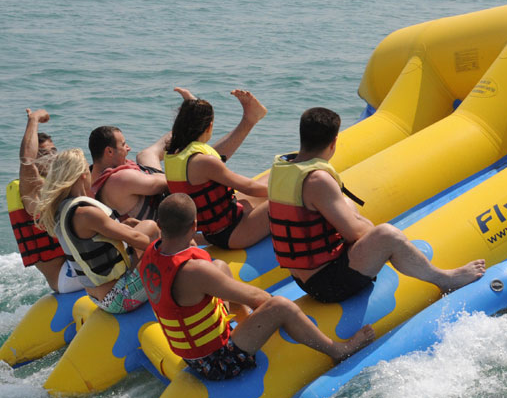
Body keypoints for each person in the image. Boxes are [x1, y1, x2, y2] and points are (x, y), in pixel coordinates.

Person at [138, 194, 374, 380]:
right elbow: (258, 299)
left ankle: (241, 323)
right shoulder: (194, 272)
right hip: (217, 363)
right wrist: (276, 313)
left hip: (191, 355)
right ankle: (338, 351)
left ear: (160, 225)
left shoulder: (151, 253)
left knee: (220, 266)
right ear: (195, 226)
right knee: (280, 305)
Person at [267, 107, 485, 303]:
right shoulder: (317, 180)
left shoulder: (283, 169)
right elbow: (354, 234)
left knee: (345, 204)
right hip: (328, 284)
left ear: (302, 137)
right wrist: (373, 235)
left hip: (304, 278)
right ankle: (445, 279)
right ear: (333, 143)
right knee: (388, 235)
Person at [35, 148, 160, 314]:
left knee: (149, 226)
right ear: (83, 175)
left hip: (98, 296)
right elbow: (136, 238)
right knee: (160, 250)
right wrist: (168, 247)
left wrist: (124, 225)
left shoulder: (63, 210)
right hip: (120, 298)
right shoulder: (86, 213)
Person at [164, 87, 270, 250]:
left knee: (271, 179)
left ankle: (250, 118)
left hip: (214, 232)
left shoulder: (174, 155)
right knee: (288, 201)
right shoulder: (204, 163)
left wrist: (191, 104)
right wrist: (291, 192)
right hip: (233, 234)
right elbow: (250, 187)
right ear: (209, 127)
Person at [7, 108, 84, 293]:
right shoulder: (31, 190)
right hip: (65, 277)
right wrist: (34, 121)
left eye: (54, 151)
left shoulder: (56, 186)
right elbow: (26, 161)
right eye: (44, 154)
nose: (52, 157)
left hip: (73, 268)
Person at [88, 125, 170, 221]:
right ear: (109, 151)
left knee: (145, 155)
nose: (128, 148)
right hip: (163, 208)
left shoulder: (91, 176)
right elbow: (168, 182)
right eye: (123, 145)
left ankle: (183, 126)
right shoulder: (119, 179)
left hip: (148, 179)